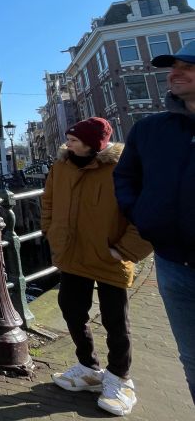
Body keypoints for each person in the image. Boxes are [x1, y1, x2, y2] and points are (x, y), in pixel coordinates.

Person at [41, 117, 152, 416]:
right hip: (72, 253)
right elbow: (49, 201)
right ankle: (88, 367)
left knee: (116, 319)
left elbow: (145, 210)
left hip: (109, 256)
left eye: (75, 138)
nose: (68, 142)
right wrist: (51, 230)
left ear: (94, 143)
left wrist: (125, 250)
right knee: (71, 308)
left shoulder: (122, 168)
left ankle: (119, 379)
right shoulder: (61, 167)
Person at [114, 40, 195, 405]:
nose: (173, 73)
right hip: (172, 263)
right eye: (173, 66)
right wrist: (142, 214)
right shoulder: (149, 130)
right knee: (192, 360)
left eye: (188, 67)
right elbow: (127, 177)